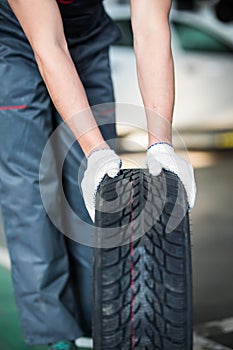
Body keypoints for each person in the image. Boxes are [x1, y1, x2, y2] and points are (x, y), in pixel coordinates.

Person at [0, 0, 196, 349]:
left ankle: (104, 320)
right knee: (31, 188)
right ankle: (54, 334)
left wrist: (160, 143)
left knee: (98, 186)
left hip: (87, 36)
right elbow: (49, 44)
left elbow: (150, 29)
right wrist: (95, 150)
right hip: (15, 42)